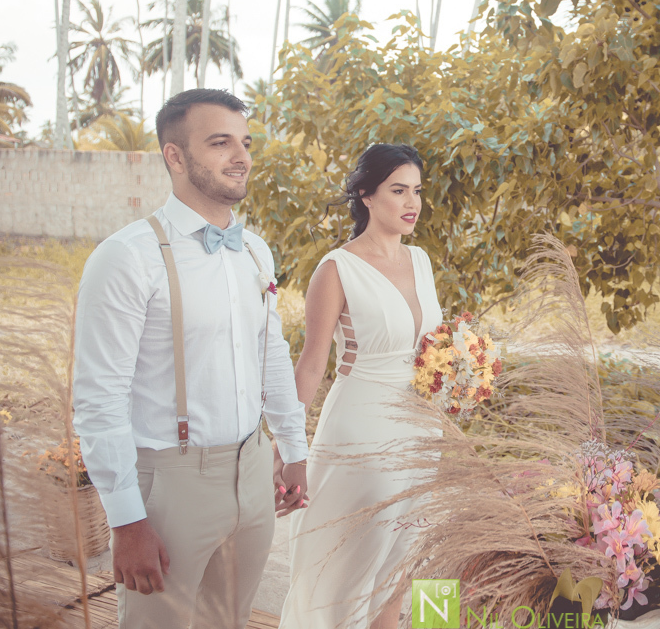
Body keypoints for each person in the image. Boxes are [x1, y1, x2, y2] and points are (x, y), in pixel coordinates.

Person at [73, 89, 310, 628]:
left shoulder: (255, 250)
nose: (241, 156)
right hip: (171, 482)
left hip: (253, 470)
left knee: (230, 621)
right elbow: (99, 398)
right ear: (174, 156)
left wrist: (293, 446)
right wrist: (126, 520)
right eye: (220, 142)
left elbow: (271, 354)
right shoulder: (126, 257)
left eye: (245, 142)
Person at [280, 143, 444, 629]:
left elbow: (432, 346)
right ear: (366, 196)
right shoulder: (337, 268)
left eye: (417, 191)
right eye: (398, 190)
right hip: (362, 430)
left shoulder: (421, 260)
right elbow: (313, 364)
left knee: (403, 563)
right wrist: (289, 449)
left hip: (423, 430)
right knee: (350, 567)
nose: (412, 202)